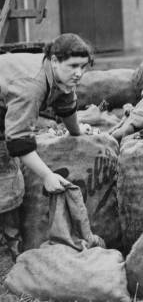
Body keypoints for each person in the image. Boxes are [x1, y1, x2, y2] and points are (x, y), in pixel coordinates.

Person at [0, 33, 94, 260]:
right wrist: (47, 175)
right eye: (73, 66)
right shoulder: (31, 85)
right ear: (54, 61)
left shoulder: (60, 78)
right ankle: (7, 251)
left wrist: (77, 133)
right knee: (8, 182)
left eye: (83, 66)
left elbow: (67, 108)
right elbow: (19, 141)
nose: (79, 73)